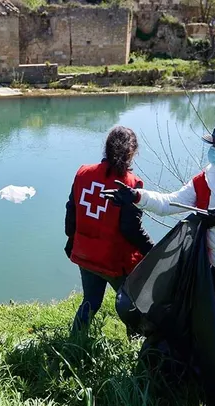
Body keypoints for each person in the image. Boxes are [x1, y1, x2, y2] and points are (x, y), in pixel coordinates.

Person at [103, 119, 215, 372]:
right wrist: (136, 196)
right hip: (214, 266)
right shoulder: (208, 177)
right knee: (211, 319)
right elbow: (171, 202)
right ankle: (207, 369)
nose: (213, 151)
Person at [65, 126, 154, 334]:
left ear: (106, 148)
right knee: (132, 305)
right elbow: (131, 229)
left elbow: (71, 211)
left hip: (85, 253)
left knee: (90, 301)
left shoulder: (83, 173)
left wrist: (71, 239)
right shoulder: (131, 184)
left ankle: (75, 340)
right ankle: (137, 346)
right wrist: (152, 251)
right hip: (114, 260)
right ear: (132, 152)